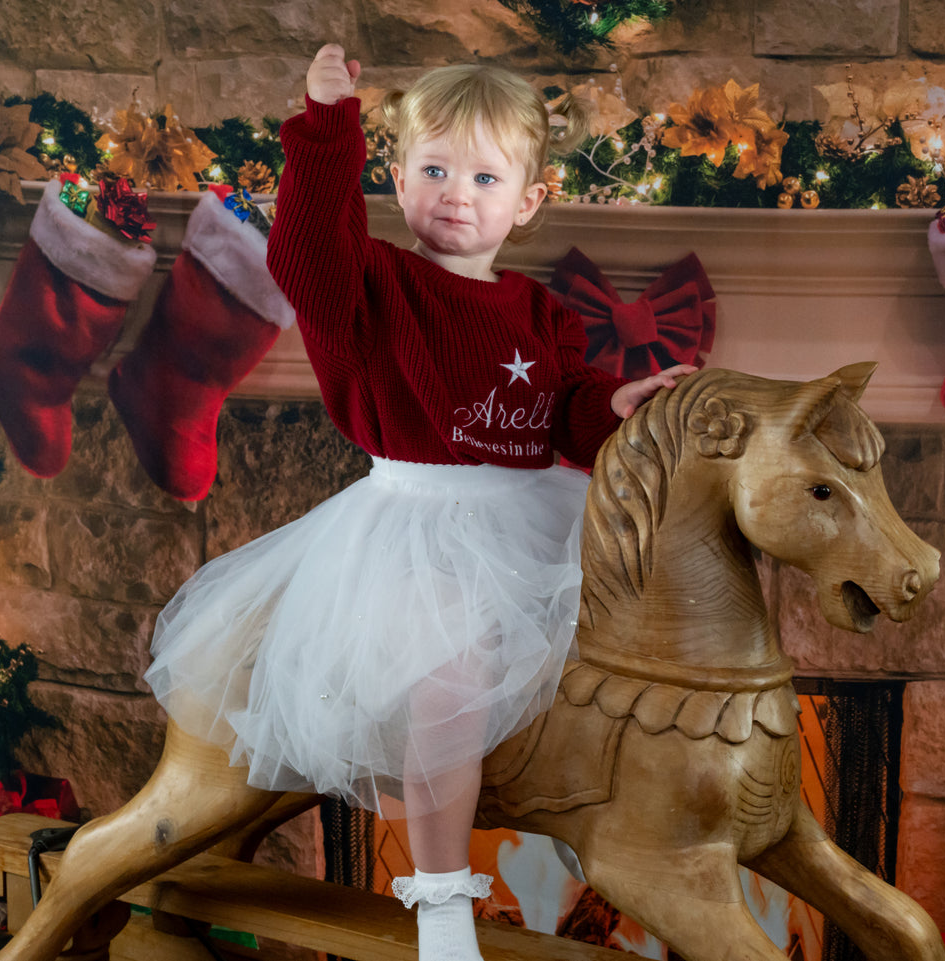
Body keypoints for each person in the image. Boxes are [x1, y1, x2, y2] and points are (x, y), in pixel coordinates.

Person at [142, 43, 694, 961]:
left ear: (526, 202)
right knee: (448, 683)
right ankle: (441, 902)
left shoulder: (538, 309)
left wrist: (617, 405)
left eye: (483, 175)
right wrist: (325, 128)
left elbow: (566, 406)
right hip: (416, 529)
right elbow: (307, 250)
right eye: (434, 168)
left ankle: (623, 844)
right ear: (399, 180)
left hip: (531, 516)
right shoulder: (372, 286)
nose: (455, 190)